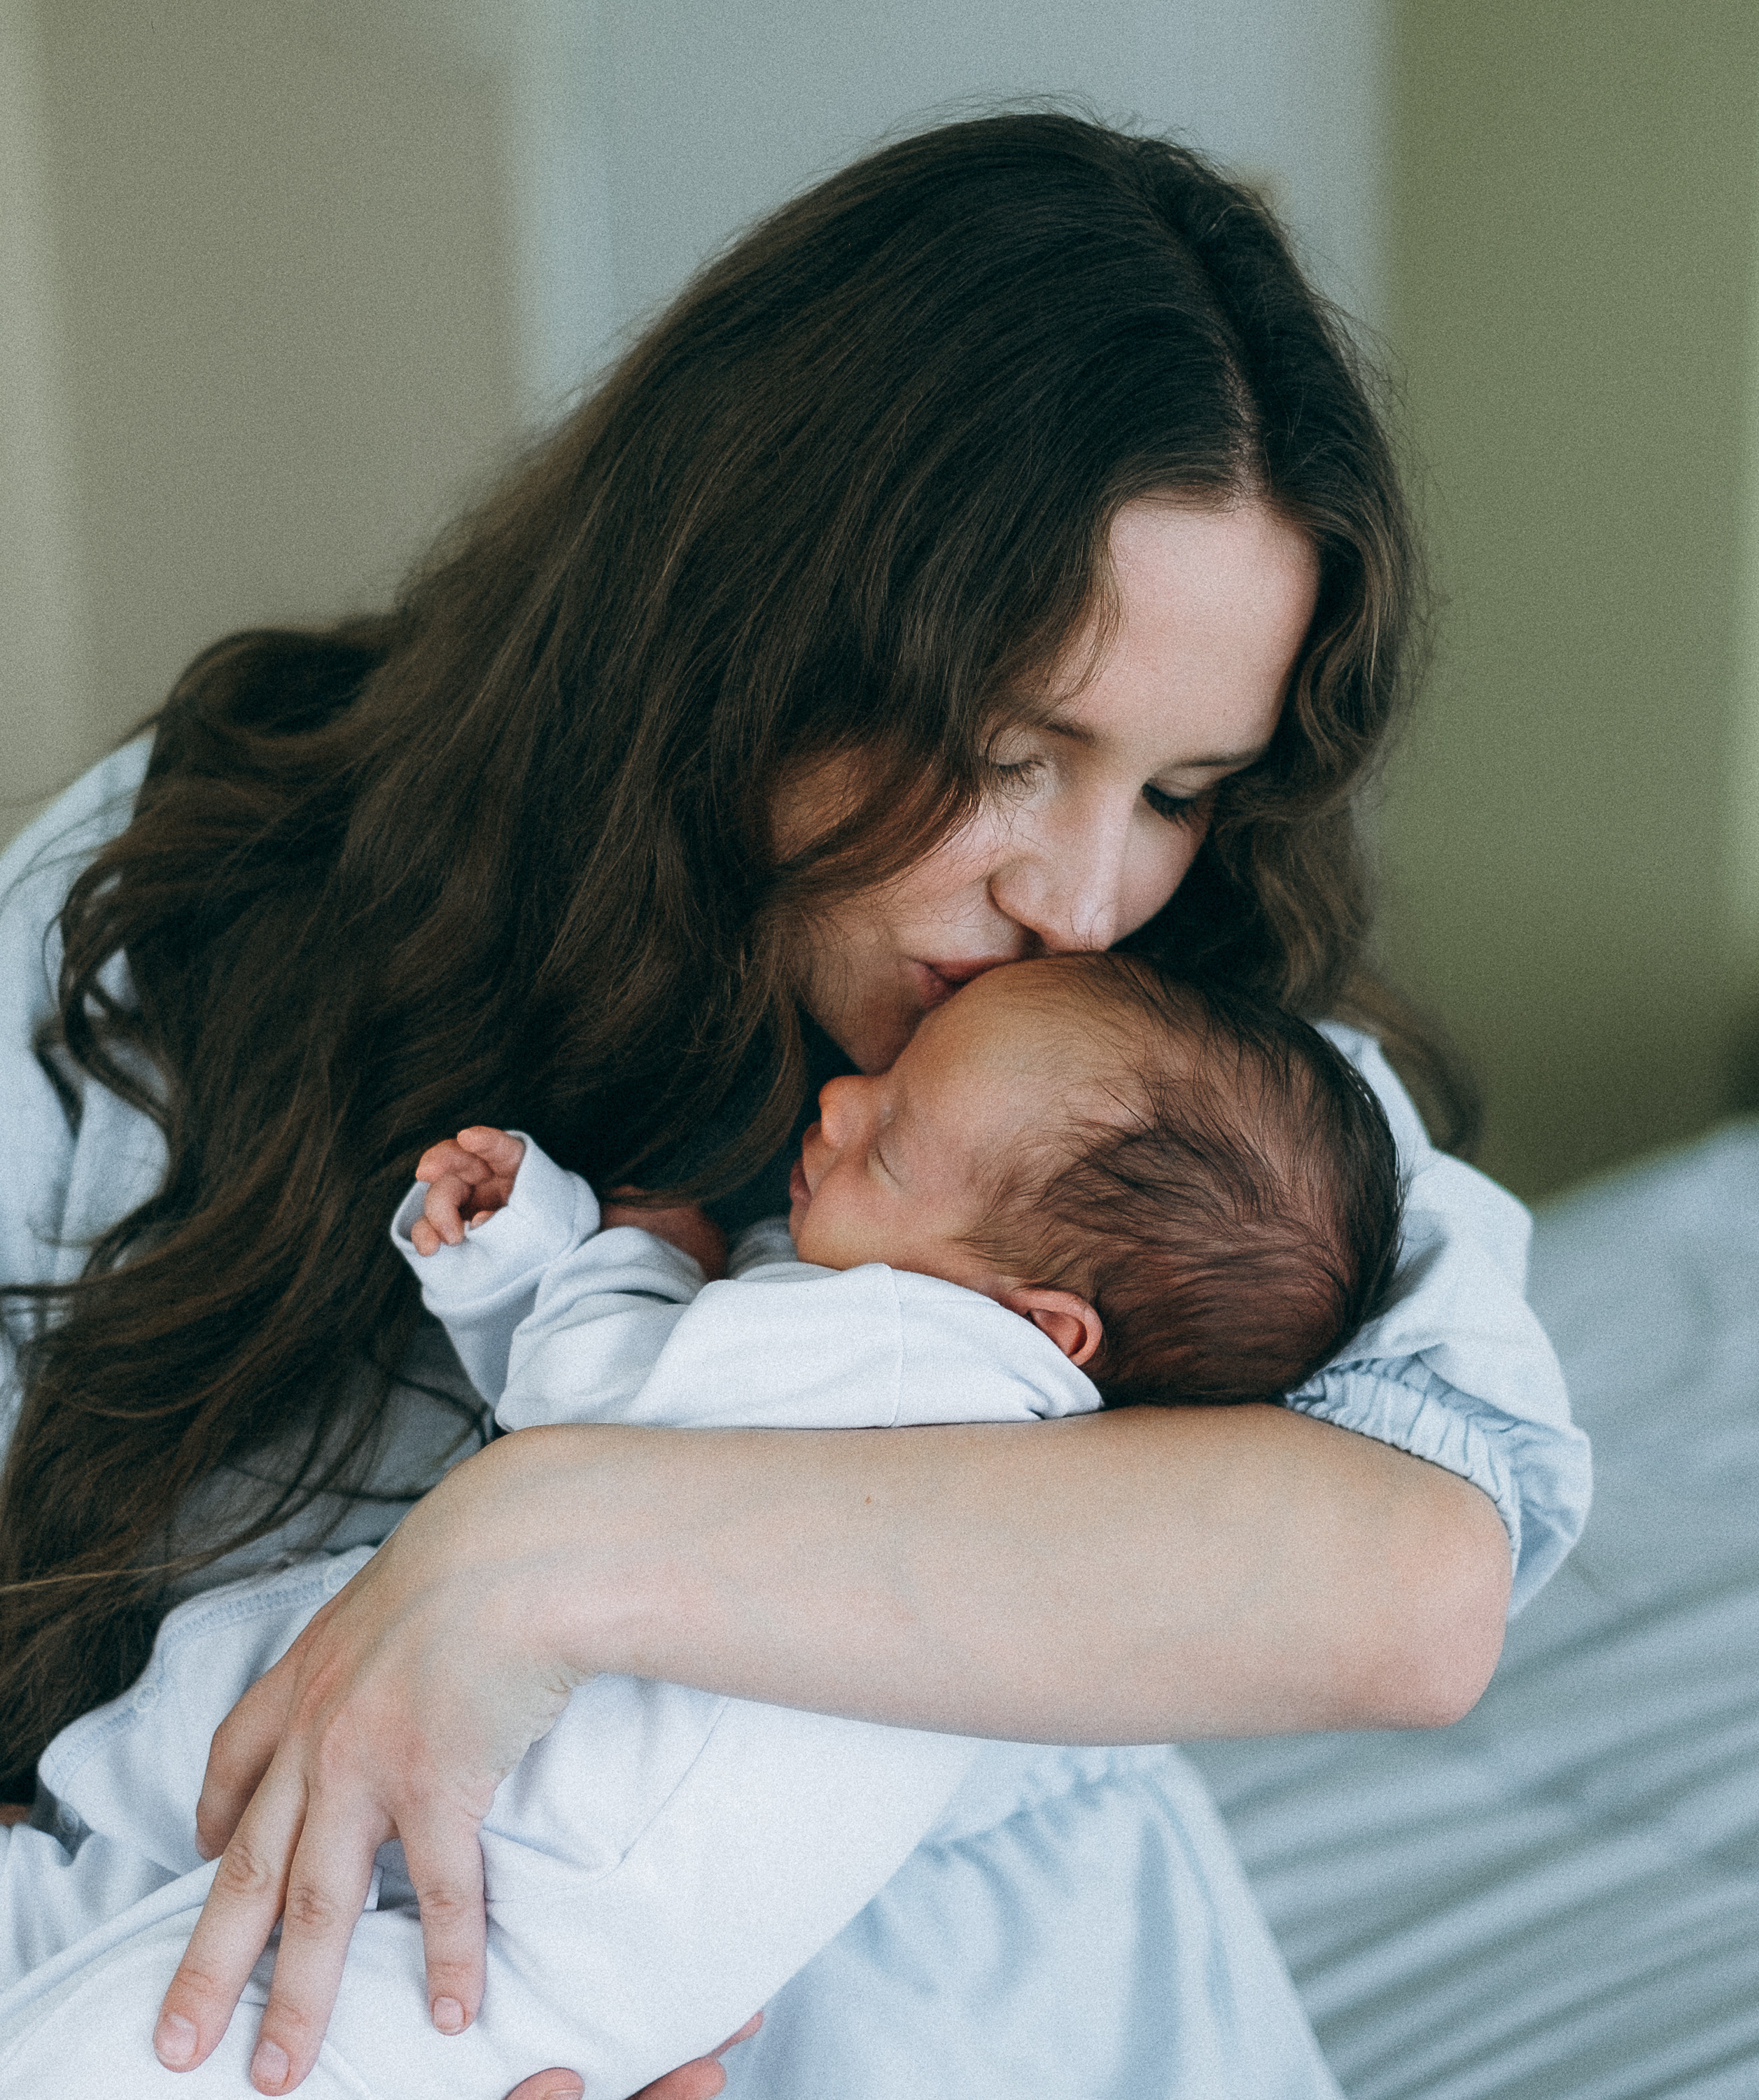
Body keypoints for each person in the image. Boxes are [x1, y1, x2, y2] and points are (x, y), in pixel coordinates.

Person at [0, 113, 1590, 2100]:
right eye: (1009, 754)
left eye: (1182, 792)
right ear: (758, 622)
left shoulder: (1192, 1087)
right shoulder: (201, 902)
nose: (1086, 899)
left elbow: (1414, 1590)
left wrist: (537, 1545)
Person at [1, 955, 1403, 2094]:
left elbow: (596, 1406)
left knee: (150, 2040)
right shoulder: (989, 1406)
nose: (840, 1103)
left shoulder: (925, 1361)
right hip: (551, 1944)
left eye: (890, 1141)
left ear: (1047, 1325)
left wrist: (601, 1251)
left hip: (488, 1904)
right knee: (122, 1972)